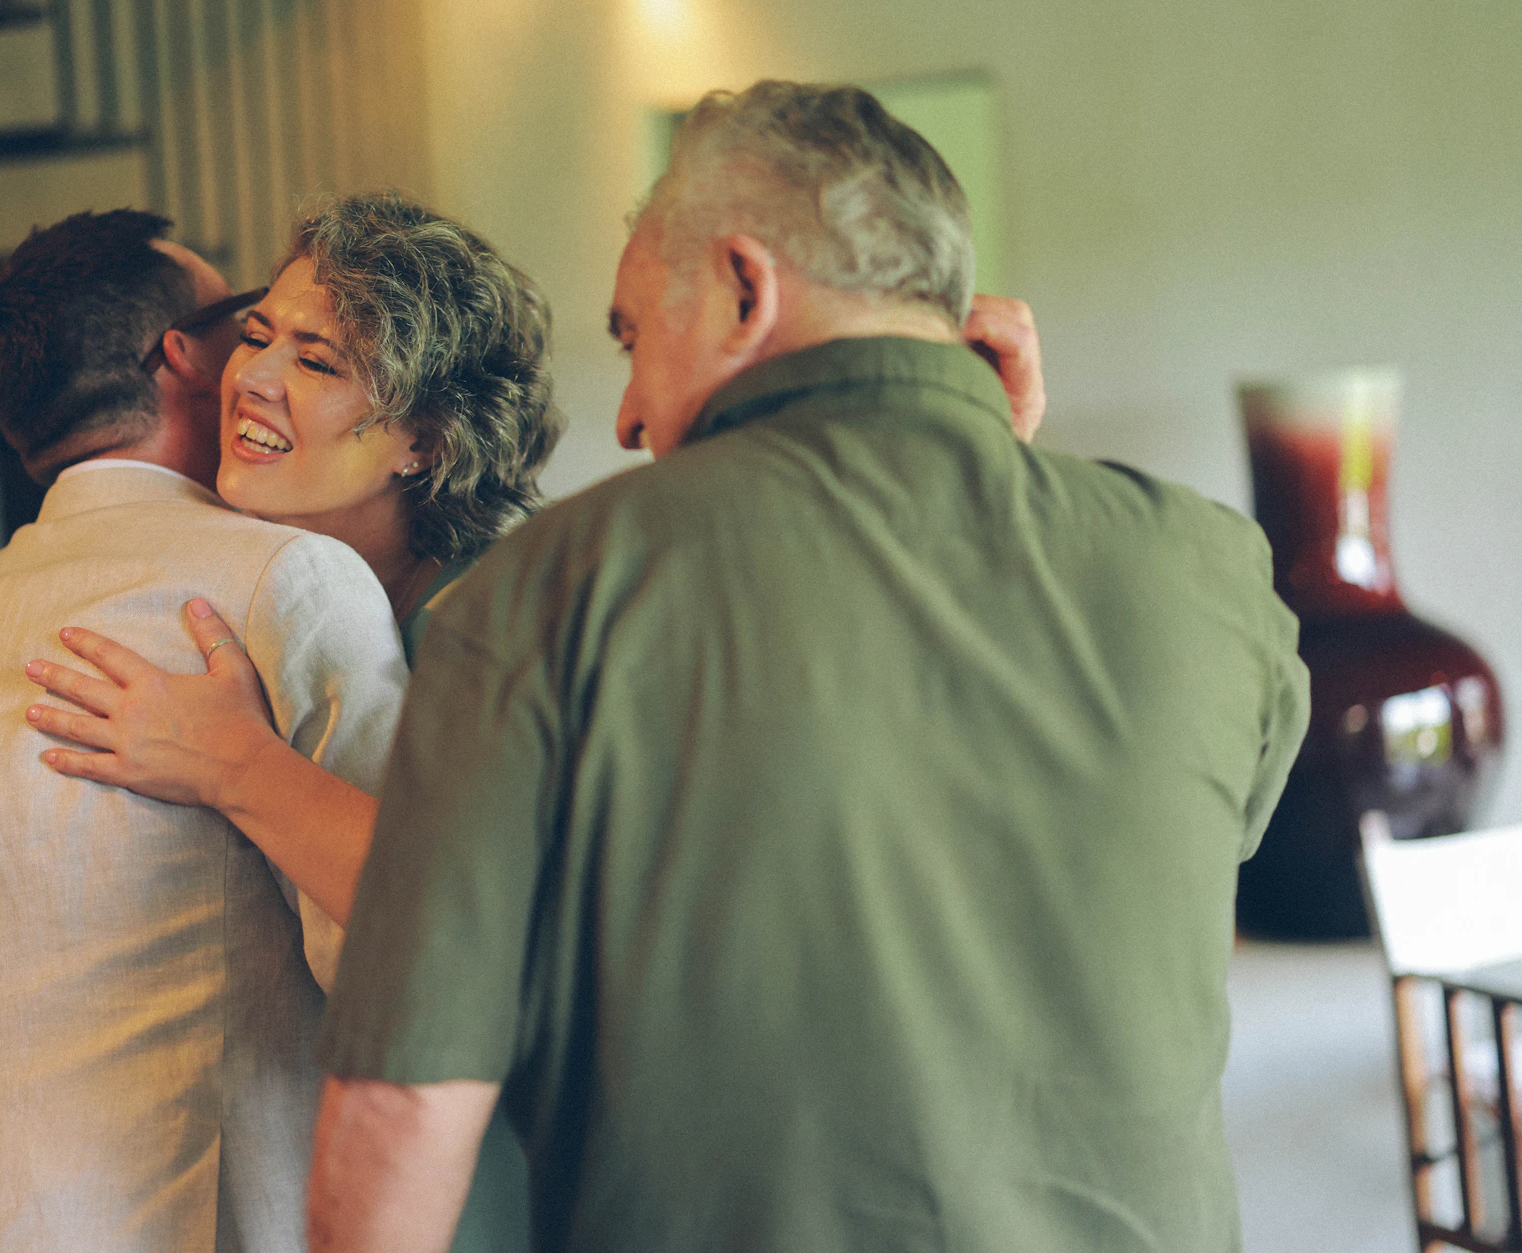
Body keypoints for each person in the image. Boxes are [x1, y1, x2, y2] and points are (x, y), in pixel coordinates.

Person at [0, 193, 1049, 1251]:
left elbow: (530, 927)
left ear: (423, 439)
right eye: (256, 332)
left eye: (320, 361)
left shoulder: (511, 618)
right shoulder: (258, 608)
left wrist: (239, 768)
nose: (252, 375)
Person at [286, 80, 1307, 1253]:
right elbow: (1160, 848)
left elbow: (405, 1109)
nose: (625, 415)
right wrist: (992, 473)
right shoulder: (1211, 572)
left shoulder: (548, 596)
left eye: (630, 335)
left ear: (741, 287)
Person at [0, 208, 411, 1253]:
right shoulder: (281, 583)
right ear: (184, 358)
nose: (258, 361)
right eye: (243, 326)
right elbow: (399, 961)